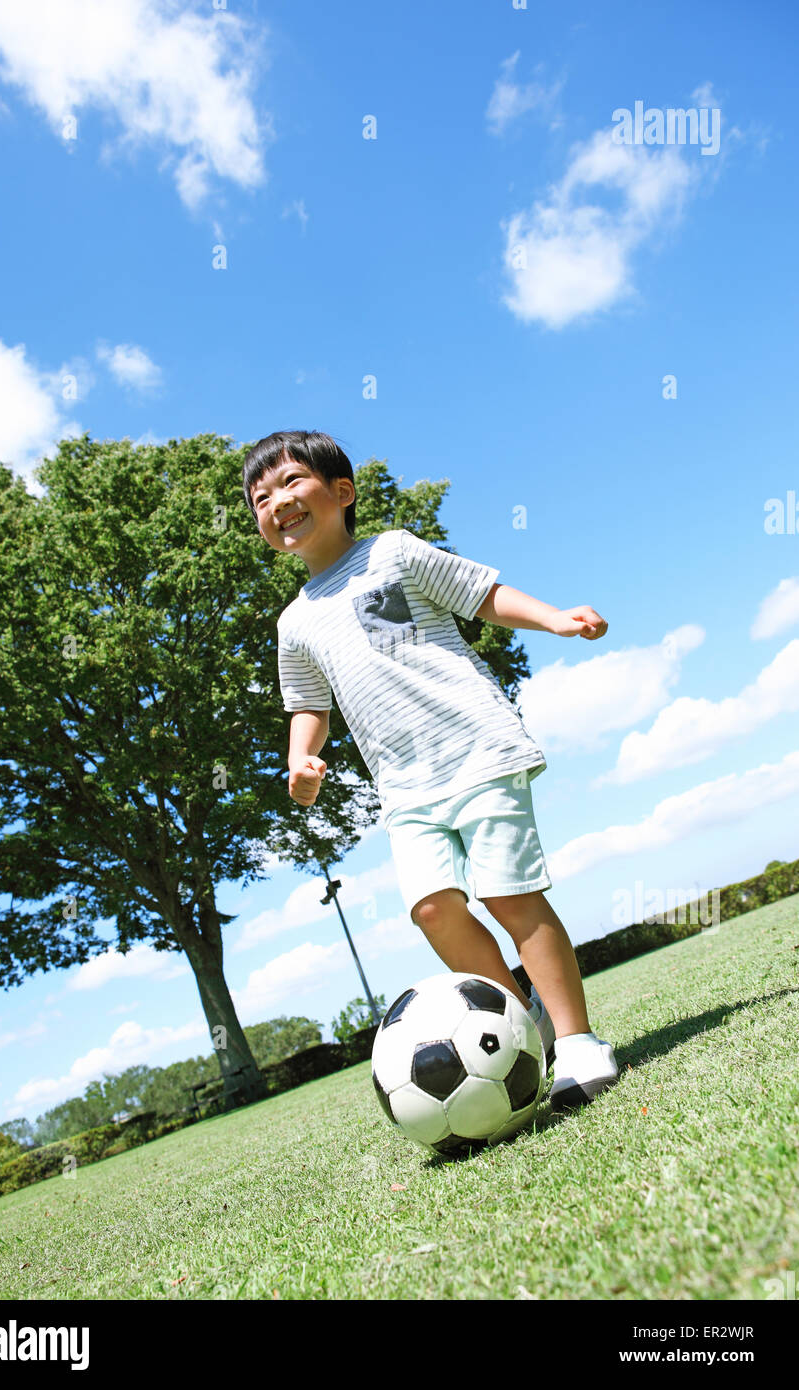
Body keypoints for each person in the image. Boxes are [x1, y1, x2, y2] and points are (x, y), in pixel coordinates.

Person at [243, 430, 619, 1111]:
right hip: (405, 785)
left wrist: (555, 620)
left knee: (509, 895)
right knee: (432, 909)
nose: (278, 502)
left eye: (292, 482)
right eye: (261, 498)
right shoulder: (293, 622)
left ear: (341, 493)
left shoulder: (391, 552)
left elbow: (482, 594)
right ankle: (521, 1019)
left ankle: (579, 1042)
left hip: (476, 749)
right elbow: (308, 704)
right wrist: (300, 757)